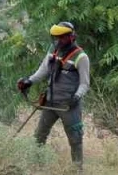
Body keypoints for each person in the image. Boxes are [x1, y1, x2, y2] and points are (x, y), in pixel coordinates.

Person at [18, 22, 90, 167]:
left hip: (69, 105)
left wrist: (76, 96)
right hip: (50, 102)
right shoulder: (53, 51)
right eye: (56, 37)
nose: (59, 40)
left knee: (75, 139)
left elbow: (85, 83)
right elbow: (42, 71)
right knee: (39, 136)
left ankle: (77, 171)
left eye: (62, 37)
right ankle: (36, 166)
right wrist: (29, 81)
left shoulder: (81, 57)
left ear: (71, 37)